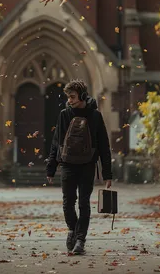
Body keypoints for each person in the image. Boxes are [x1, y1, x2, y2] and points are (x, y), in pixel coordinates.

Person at [45, 79, 112, 255]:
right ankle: (72, 230)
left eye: (73, 97)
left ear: (82, 96)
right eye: (68, 97)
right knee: (68, 203)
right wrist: (51, 167)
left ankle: (80, 240)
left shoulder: (95, 116)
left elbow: (104, 145)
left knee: (83, 203)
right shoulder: (64, 114)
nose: (70, 100)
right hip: (67, 164)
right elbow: (56, 142)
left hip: (87, 165)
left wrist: (107, 174)